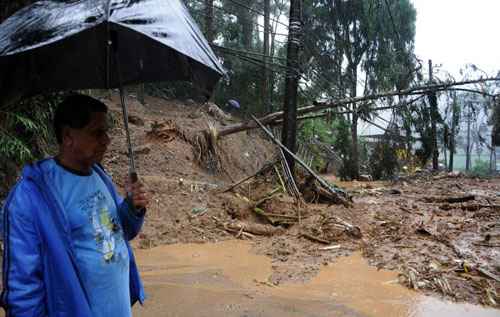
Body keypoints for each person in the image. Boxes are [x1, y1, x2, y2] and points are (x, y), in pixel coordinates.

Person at [1, 94, 149, 316]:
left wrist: (132, 208)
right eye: (97, 132)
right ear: (68, 136)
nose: (107, 140)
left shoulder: (99, 176)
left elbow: (120, 231)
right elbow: (23, 287)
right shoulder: (32, 196)